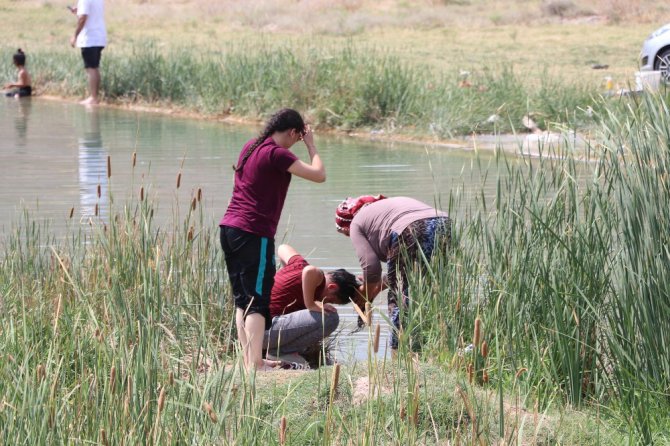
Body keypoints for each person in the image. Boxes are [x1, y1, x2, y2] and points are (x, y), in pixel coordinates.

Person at [220, 108, 326, 371]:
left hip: (230, 229)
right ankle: (255, 364)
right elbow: (319, 174)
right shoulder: (277, 153)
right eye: (297, 137)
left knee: (242, 299)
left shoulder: (251, 146)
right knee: (257, 300)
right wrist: (311, 146)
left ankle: (249, 360)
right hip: (253, 232)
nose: (297, 142)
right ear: (293, 132)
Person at [335, 195, 451, 350]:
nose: (350, 237)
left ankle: (401, 354)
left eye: (346, 234)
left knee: (400, 299)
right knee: (428, 290)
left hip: (411, 228)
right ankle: (434, 347)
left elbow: (372, 268)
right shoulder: (382, 210)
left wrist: (363, 295)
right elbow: (401, 273)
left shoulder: (356, 223)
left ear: (345, 226)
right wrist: (373, 289)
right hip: (444, 224)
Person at [263, 244, 359, 368]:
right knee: (331, 318)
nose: (326, 303)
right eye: (332, 300)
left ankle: (279, 351)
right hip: (265, 332)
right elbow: (310, 271)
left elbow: (282, 247)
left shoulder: (298, 263)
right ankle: (279, 353)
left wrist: (285, 273)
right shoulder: (318, 277)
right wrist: (310, 304)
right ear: (332, 287)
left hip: (254, 328)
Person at [69, 0, 106, 105]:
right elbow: (90, 13)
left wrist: (75, 36)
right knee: (94, 67)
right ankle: (95, 97)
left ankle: (93, 97)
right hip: (99, 36)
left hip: (89, 38)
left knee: (91, 68)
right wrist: (79, 10)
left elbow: (83, 18)